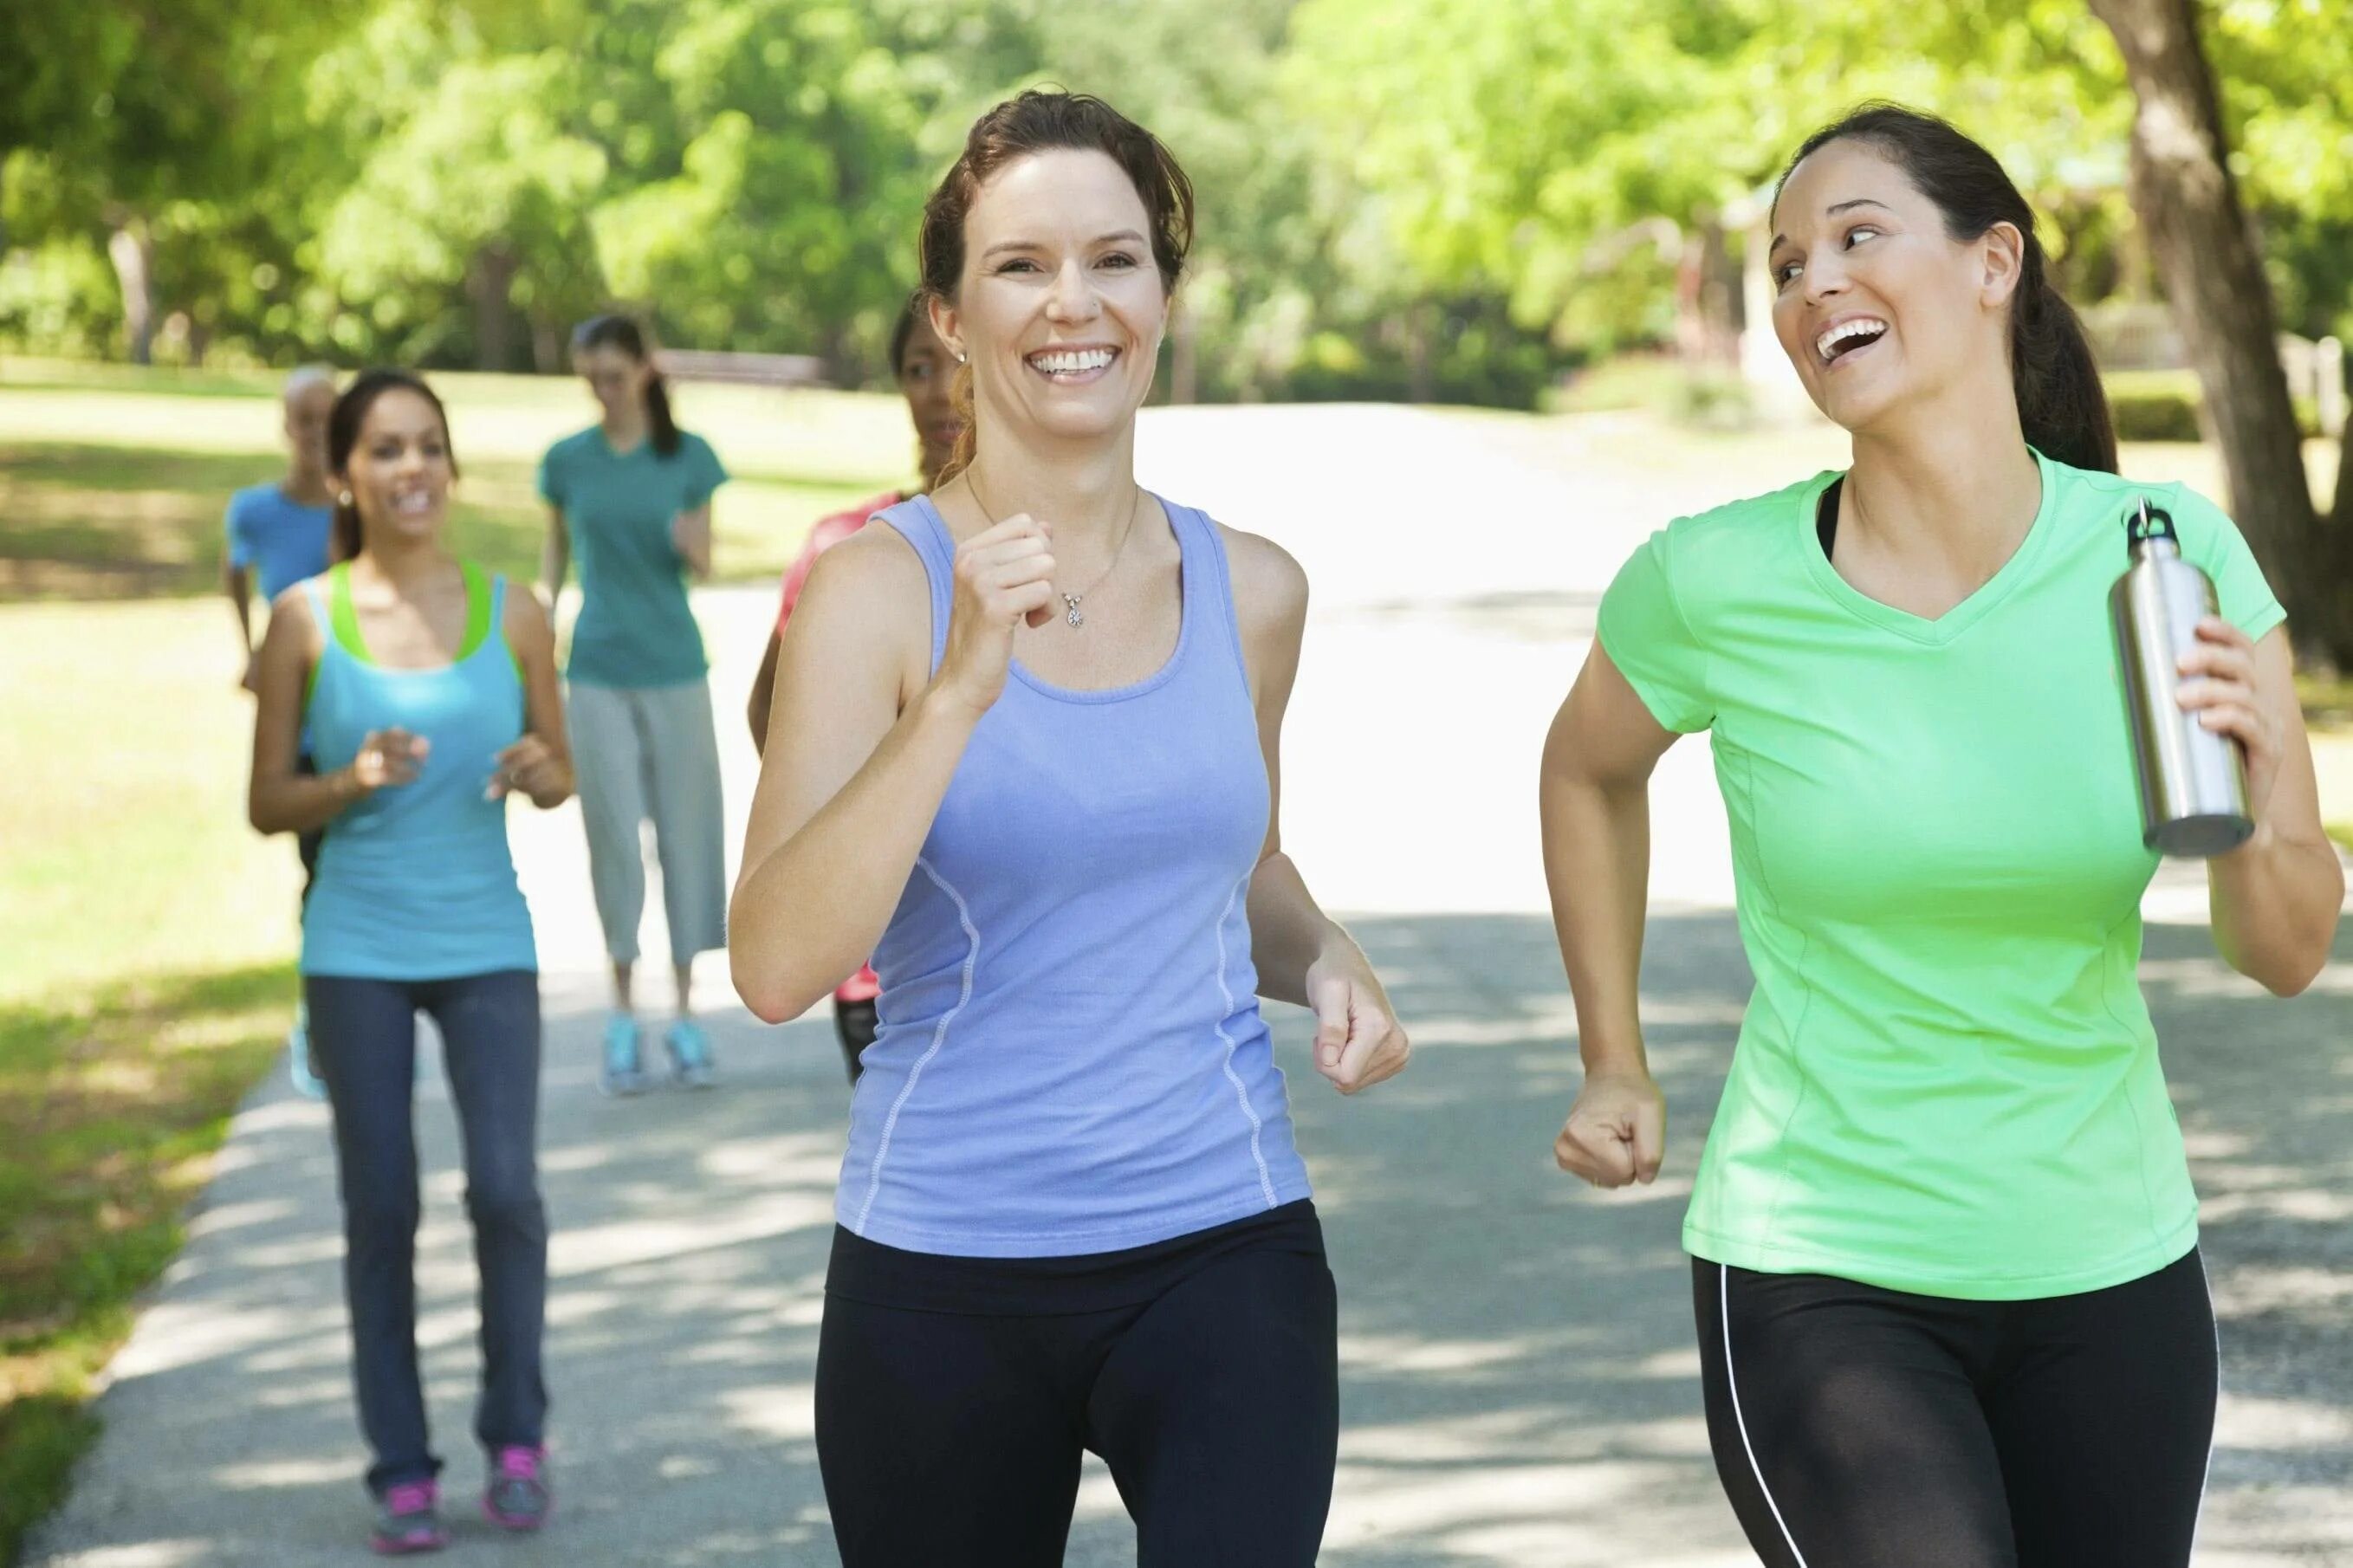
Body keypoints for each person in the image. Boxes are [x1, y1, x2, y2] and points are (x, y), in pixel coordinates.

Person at [1538, 104, 2343, 1568]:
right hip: (1820, 1267)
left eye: (1855, 238)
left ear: (1993, 265)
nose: (1810, 287)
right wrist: (1614, 1053)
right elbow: (1586, 771)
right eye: (1785, 267)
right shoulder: (1713, 579)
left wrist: (2254, 779)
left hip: (2109, 1267)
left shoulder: (2167, 557)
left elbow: (2286, 954)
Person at [729, 91, 1410, 1566]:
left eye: (1114, 259)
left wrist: (1330, 956)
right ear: (954, 318)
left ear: (1163, 297)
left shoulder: (1257, 587)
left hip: (1224, 1247)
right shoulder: (872, 592)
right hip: (941, 1274)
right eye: (1022, 265)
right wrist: (960, 692)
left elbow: (1239, 866)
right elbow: (779, 963)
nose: (1073, 302)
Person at [250, 369, 573, 1553]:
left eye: (429, 445)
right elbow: (264, 801)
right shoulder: (302, 618)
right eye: (385, 450)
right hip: (356, 945)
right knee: (379, 1206)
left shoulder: (517, 608)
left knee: (506, 1192)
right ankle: (400, 1464)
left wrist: (543, 773)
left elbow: (560, 764)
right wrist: (350, 780)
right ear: (345, 474)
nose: (413, 468)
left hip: (487, 932)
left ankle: (517, 1436)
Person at [746, 300, 960, 1082]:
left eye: (960, 362)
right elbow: (768, 718)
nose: (941, 391)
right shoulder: (848, 550)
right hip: (880, 963)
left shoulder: (1060, 540)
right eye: (918, 369)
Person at [538, 314, 730, 1095]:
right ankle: (623, 1015)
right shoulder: (567, 461)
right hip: (596, 669)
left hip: (675, 667)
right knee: (613, 839)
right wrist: (536, 647)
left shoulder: (688, 459)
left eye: (613, 376)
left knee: (685, 837)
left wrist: (689, 543)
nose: (602, 391)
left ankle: (685, 1016)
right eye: (590, 378)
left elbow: (707, 562)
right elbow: (553, 559)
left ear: (645, 371)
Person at [226, 366, 340, 1099]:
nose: (316, 433)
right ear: (285, 424)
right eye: (304, 419)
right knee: (317, 872)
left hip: (356, 710)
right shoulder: (255, 510)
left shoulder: (360, 509)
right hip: (295, 721)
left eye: (329, 419)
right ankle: (320, 1015)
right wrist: (250, 654)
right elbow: (232, 575)